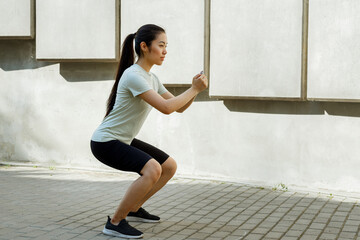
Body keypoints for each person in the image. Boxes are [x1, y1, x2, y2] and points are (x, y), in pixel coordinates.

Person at [90, 24, 208, 239]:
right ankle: (115, 222)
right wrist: (194, 89)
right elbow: (165, 109)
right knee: (153, 169)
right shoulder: (134, 75)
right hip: (105, 142)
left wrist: (195, 91)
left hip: (122, 139)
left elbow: (178, 107)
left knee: (168, 166)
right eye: (161, 45)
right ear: (144, 46)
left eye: (166, 46)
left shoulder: (151, 78)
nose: (165, 51)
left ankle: (134, 207)